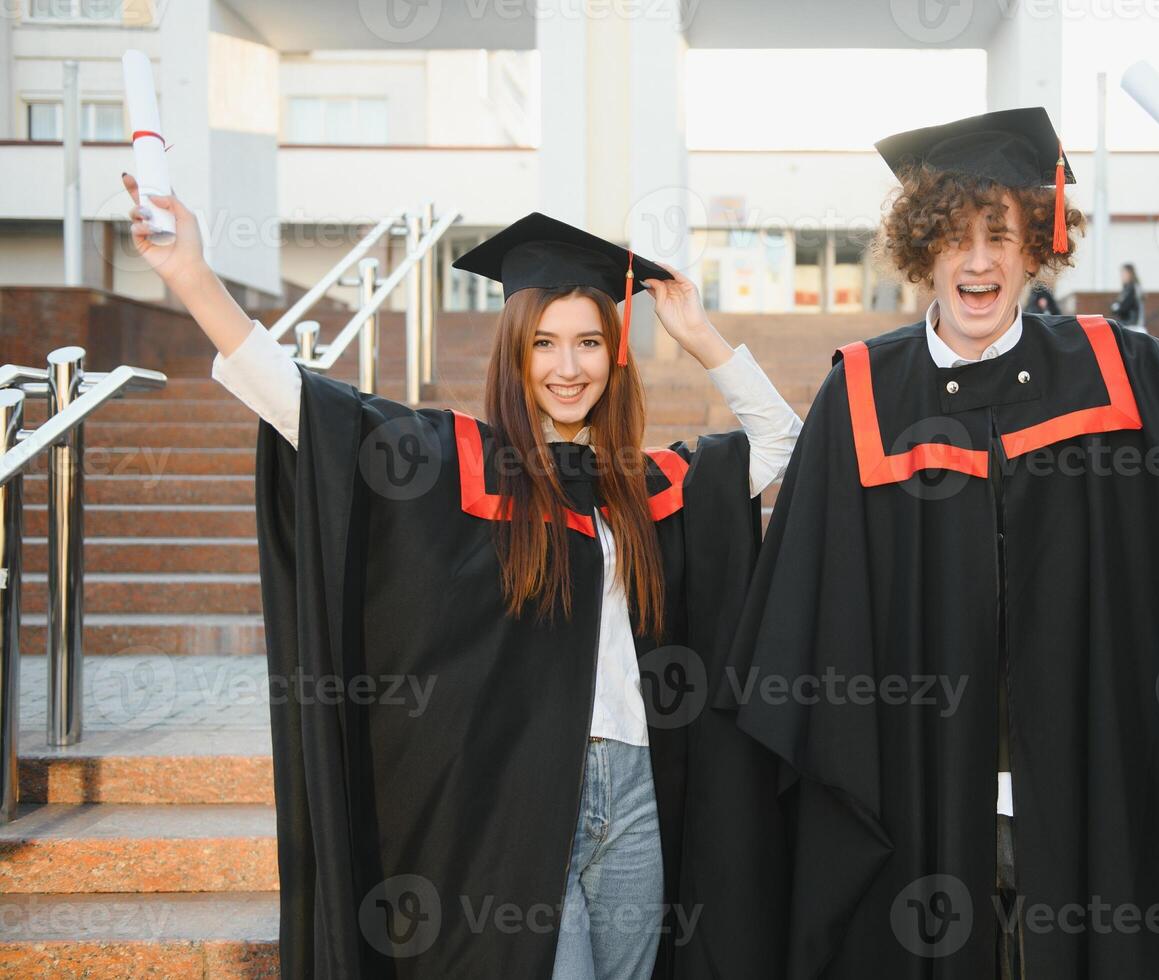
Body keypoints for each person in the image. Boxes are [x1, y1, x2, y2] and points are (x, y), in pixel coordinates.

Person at [121, 178, 797, 980]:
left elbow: (781, 442)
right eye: (543, 343)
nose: (567, 367)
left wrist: (698, 334)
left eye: (587, 342)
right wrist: (191, 277)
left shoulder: (645, 483)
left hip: (638, 791)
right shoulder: (459, 461)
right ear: (514, 353)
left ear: (614, 357)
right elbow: (301, 405)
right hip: (522, 795)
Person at [727, 107, 1159, 978]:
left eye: (1001, 235)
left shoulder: (1111, 373)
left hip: (1095, 800)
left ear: (1037, 245)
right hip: (915, 807)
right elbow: (804, 608)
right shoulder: (862, 396)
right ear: (920, 249)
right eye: (955, 237)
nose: (978, 261)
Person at [1111, 262, 1145, 331]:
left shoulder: (1132, 289)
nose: (1122, 276)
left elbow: (1124, 307)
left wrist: (1117, 308)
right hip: (1129, 325)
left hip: (1133, 327)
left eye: (1124, 273)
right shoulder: (1127, 288)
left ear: (1130, 274)